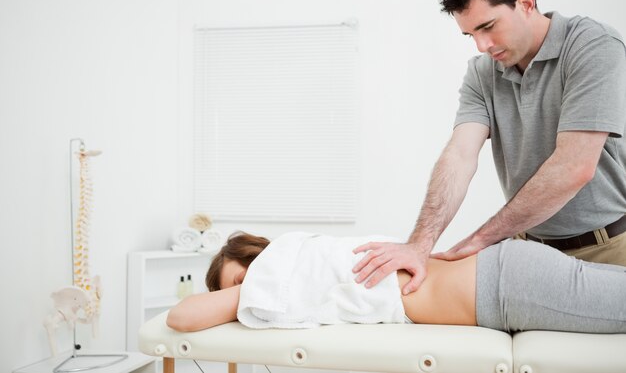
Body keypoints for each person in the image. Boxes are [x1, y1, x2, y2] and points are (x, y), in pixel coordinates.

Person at [352, 0, 626, 296]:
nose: (482, 46)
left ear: (526, 3)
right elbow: (459, 155)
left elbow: (574, 167)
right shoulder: (482, 72)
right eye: (470, 35)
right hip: (528, 251)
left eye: (487, 27)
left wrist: (481, 239)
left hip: (607, 249)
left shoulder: (592, 45)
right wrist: (418, 245)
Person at [166, 231, 626, 334]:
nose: (243, 294)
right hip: (505, 276)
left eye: (242, 280)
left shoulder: (284, 264)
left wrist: (239, 289)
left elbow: (181, 317)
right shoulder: (310, 261)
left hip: (506, 287)